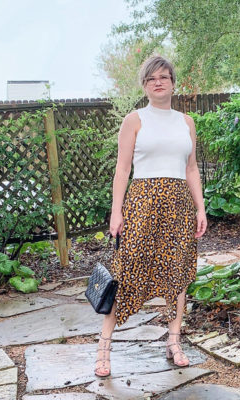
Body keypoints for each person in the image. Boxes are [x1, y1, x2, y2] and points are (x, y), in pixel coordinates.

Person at [94, 55, 207, 377]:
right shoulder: (134, 119)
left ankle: (174, 342)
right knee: (126, 272)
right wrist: (116, 212)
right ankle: (103, 347)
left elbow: (191, 168)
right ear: (144, 85)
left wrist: (200, 208)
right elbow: (123, 169)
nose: (158, 82)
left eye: (164, 77)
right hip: (141, 204)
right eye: (151, 78)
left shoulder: (186, 122)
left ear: (173, 83)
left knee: (178, 273)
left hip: (179, 207)